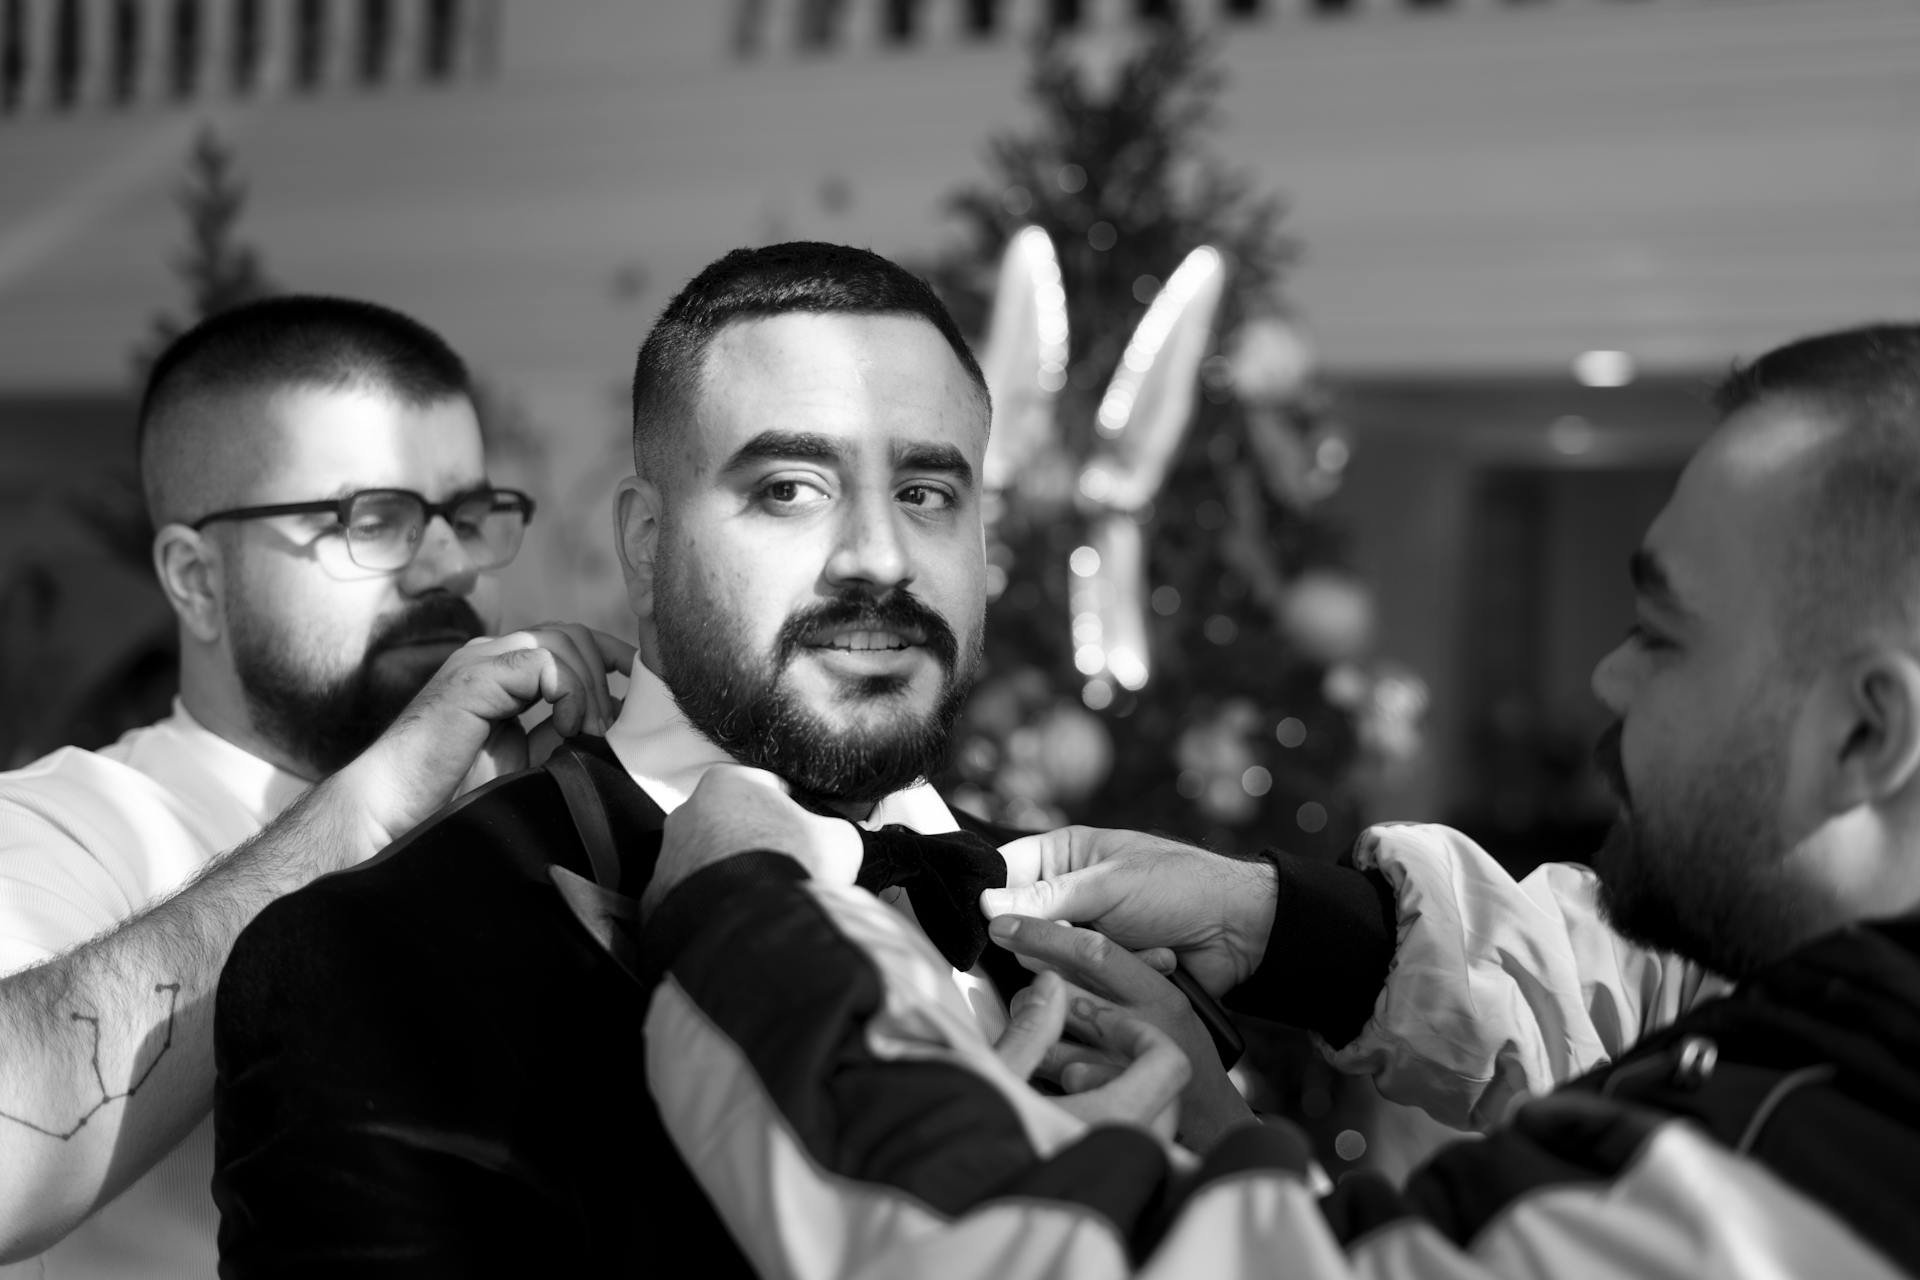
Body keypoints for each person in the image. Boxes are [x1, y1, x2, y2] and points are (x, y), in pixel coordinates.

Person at [636, 323, 1920, 1276]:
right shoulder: (1822, 1007)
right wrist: (1275, 937)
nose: (1604, 671)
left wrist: (749, 919)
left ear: (1870, 729)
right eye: (790, 488)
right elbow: (1640, 997)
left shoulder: (1817, 1175)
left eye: (1663, 632)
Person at [210, 242, 1242, 1275]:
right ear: (647, 544)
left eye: (928, 492)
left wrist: (1220, 1145)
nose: (880, 556)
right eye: (793, 487)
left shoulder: (1113, 943)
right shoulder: (379, 956)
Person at [0, 295, 629, 1279]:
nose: (445, 563)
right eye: (370, 517)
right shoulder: (67, 825)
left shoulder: (529, 815)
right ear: (196, 580)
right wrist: (364, 814)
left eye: (465, 515)